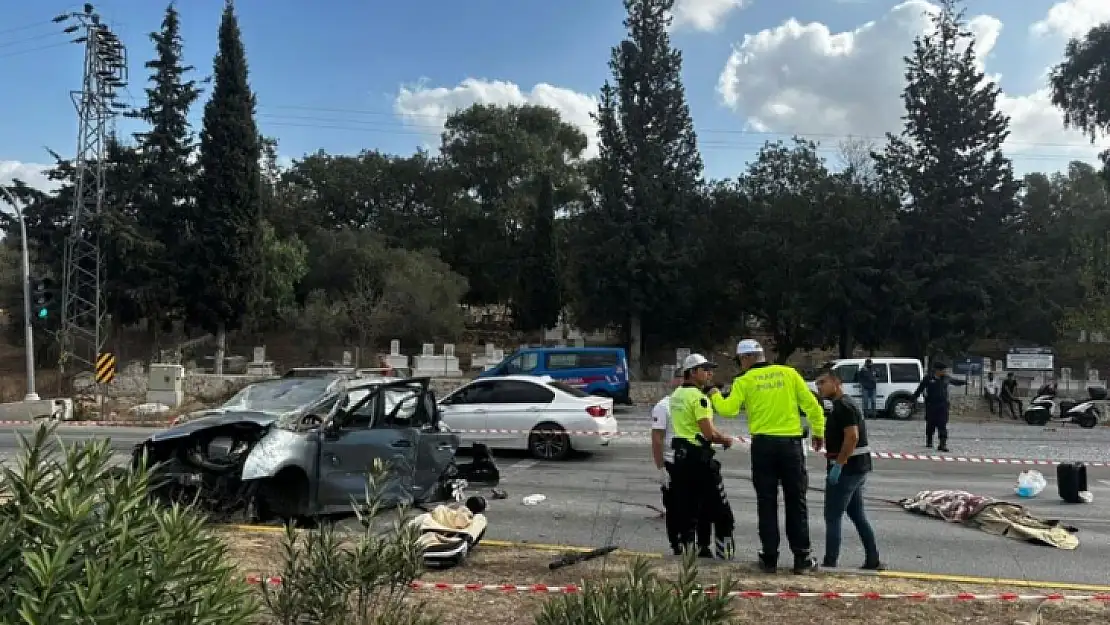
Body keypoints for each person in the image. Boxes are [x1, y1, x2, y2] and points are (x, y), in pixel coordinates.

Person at [705, 339, 826, 574]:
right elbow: (813, 406)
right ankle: (802, 558)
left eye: (740, 361)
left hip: (763, 447)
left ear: (746, 358)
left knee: (767, 503)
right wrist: (818, 431)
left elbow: (728, 410)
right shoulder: (788, 374)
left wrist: (714, 394)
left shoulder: (745, 380)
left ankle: (769, 558)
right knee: (796, 502)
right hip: (791, 445)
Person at [667, 353, 736, 559]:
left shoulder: (677, 395)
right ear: (692, 372)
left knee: (688, 507)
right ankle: (724, 553)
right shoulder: (699, 399)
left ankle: (688, 551)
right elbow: (709, 433)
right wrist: (726, 440)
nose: (709, 374)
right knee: (722, 512)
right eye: (705, 370)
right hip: (699, 459)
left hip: (681, 457)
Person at [815, 368, 882, 570]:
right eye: (817, 383)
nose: (819, 387)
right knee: (857, 514)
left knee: (832, 515)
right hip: (856, 467)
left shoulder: (844, 405)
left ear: (836, 382)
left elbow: (851, 437)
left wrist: (838, 465)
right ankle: (873, 559)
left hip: (848, 469)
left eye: (823, 382)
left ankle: (830, 562)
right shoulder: (839, 405)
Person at [651, 371, 713, 557]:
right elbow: (657, 438)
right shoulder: (664, 406)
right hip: (673, 462)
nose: (680, 382)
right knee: (676, 507)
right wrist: (661, 467)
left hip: (696, 460)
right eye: (678, 378)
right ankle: (677, 545)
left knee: (702, 505)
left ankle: (702, 545)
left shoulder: (695, 400)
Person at [911, 362, 966, 452]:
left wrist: (965, 382)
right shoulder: (928, 378)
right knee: (930, 424)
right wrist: (913, 399)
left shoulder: (946, 378)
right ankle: (929, 441)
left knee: (942, 424)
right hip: (931, 405)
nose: (944, 372)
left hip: (943, 406)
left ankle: (942, 444)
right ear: (937, 370)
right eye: (943, 370)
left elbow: (955, 382)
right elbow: (919, 389)